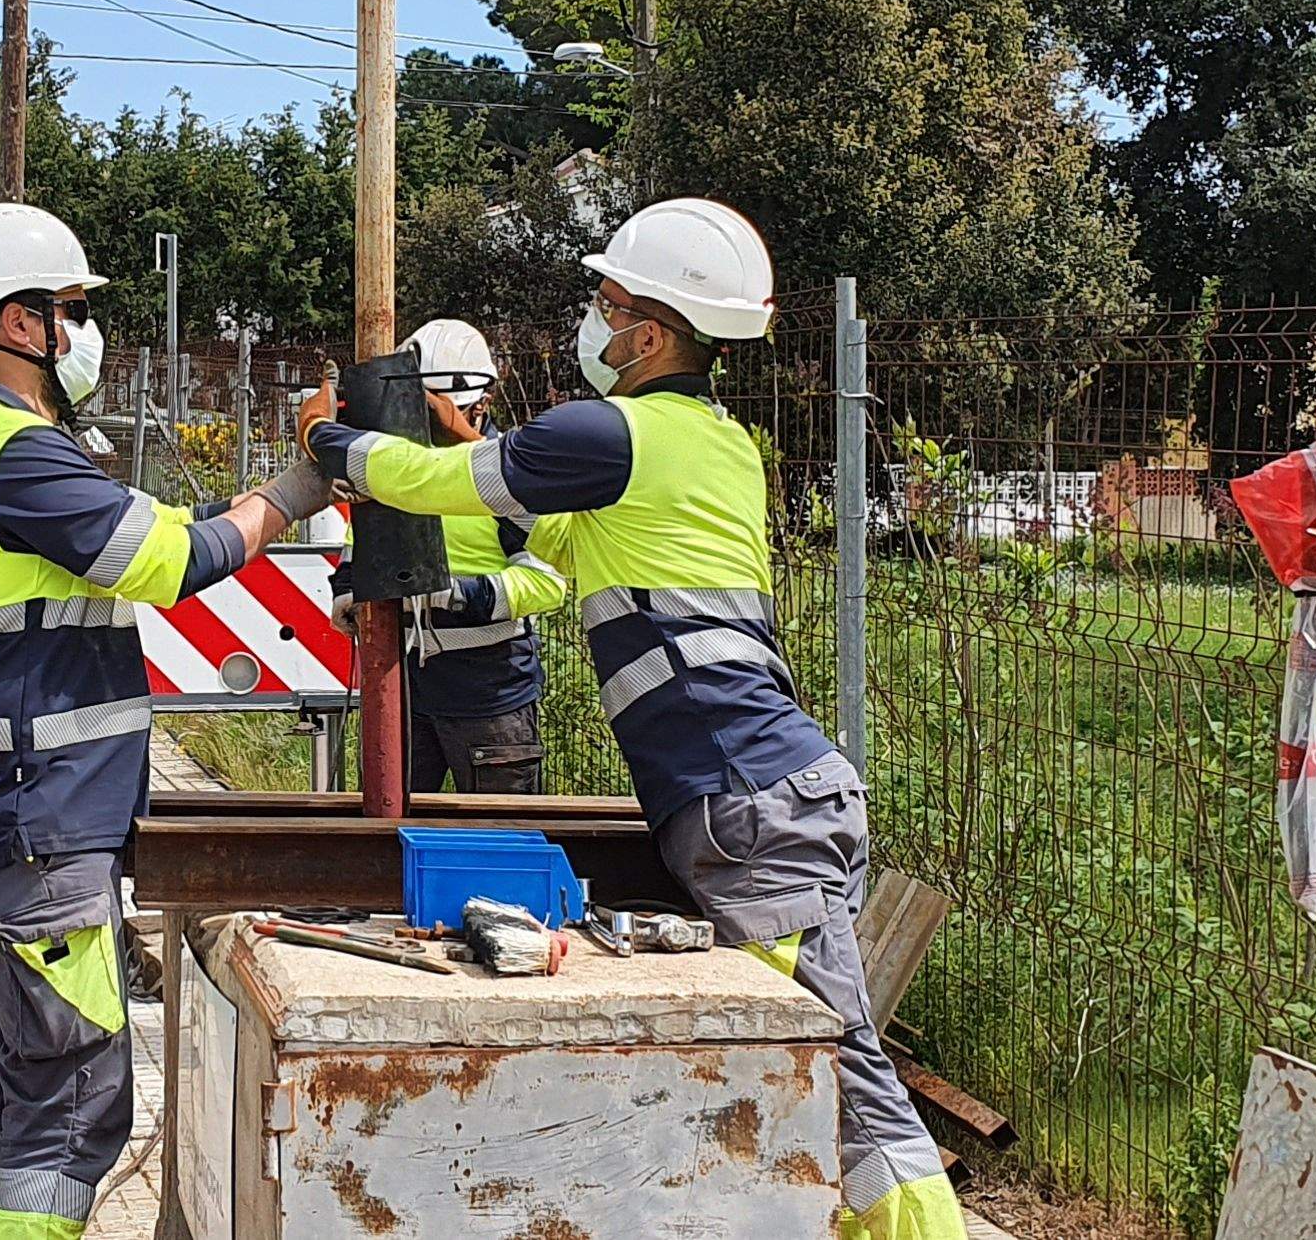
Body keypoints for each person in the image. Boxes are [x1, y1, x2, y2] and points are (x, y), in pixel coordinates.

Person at [306, 200, 968, 1240]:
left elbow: (438, 485)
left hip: (750, 806)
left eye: (609, 307)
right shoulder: (718, 446)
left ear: (653, 332)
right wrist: (462, 436)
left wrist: (336, 443)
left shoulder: (607, 430)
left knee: (844, 1082)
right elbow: (551, 538)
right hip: (778, 792)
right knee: (807, 1070)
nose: (596, 327)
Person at [0, 202, 337, 1240]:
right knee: (69, 1110)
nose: (83, 332)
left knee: (2, 1089)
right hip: (36, 830)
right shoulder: (15, 452)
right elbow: (168, 560)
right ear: (19, 325)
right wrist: (296, 488)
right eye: (68, 309)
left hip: (1, 830)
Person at [395, 317, 562, 795]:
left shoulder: (511, 477)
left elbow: (548, 581)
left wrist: (458, 595)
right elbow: (358, 539)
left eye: (441, 415)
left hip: (490, 694)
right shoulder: (401, 467)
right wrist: (348, 589)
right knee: (391, 842)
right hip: (405, 686)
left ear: (483, 403)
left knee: (501, 840)